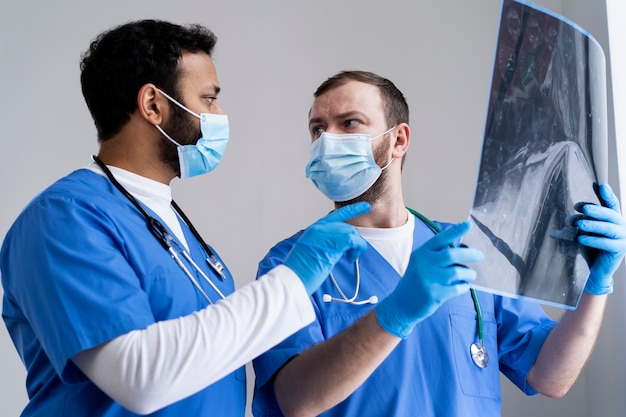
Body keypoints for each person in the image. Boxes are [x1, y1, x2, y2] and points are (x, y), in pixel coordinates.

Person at [0, 21, 371, 417]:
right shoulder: (64, 220)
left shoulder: (170, 222)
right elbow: (139, 379)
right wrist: (292, 282)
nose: (220, 114)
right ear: (154, 105)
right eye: (209, 99)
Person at [251, 70, 626, 416]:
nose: (328, 140)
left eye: (349, 123)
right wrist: (397, 312)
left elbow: (550, 375)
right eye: (318, 129)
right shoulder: (291, 262)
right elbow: (294, 400)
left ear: (398, 140)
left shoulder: (469, 249)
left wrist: (595, 286)